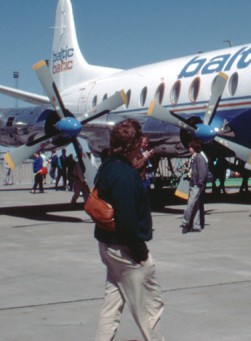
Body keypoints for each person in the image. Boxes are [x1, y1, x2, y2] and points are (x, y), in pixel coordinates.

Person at [93, 119, 164, 341]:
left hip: (107, 246)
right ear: (132, 144)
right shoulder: (125, 175)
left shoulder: (107, 167)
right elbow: (126, 220)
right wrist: (141, 253)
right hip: (126, 251)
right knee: (149, 307)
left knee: (112, 303)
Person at [181, 138, 208, 234]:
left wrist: (199, 183)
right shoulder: (194, 157)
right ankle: (196, 225)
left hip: (197, 185)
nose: (189, 149)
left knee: (190, 205)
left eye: (190, 147)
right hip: (194, 184)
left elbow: (203, 172)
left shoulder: (199, 158)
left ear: (194, 148)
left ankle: (185, 223)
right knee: (195, 205)